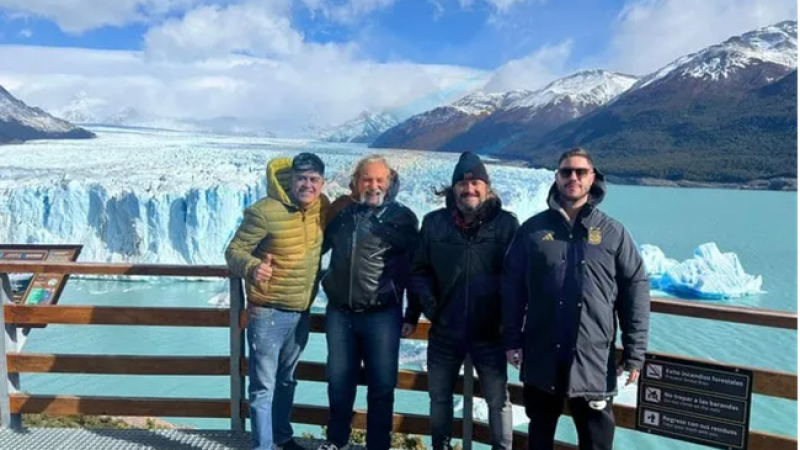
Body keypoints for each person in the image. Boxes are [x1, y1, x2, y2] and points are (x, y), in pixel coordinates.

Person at [502, 147, 650, 450]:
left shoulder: (612, 232)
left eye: (580, 172)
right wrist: (512, 339)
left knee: (596, 441)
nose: (573, 177)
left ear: (592, 178)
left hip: (593, 359)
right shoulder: (533, 230)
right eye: (566, 171)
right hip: (542, 353)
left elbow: (634, 288)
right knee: (540, 437)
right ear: (557, 178)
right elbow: (512, 287)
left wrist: (635, 351)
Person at [409, 151, 518, 450]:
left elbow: (518, 277)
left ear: (487, 188)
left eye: (476, 184)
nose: (469, 189)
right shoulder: (434, 224)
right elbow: (419, 270)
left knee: (498, 400)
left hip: (490, 333)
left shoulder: (507, 225)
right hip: (446, 331)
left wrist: (507, 322)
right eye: (463, 183)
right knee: (439, 397)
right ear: (453, 188)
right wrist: (432, 309)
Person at [225, 152, 329, 450]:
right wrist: (253, 267)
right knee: (263, 387)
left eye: (313, 179)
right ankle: (263, 445)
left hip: (300, 312)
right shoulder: (264, 211)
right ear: (290, 179)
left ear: (321, 183)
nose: (307, 185)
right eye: (301, 178)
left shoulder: (321, 207)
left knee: (286, 381)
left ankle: (282, 438)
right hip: (267, 312)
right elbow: (233, 251)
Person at [316, 155, 419, 450]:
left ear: (389, 183)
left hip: (382, 315)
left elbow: (415, 268)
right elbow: (315, 246)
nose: (373, 186)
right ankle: (336, 441)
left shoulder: (402, 217)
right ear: (356, 182)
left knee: (382, 387)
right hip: (340, 314)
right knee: (338, 383)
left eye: (379, 180)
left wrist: (412, 312)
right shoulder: (341, 213)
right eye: (367, 179)